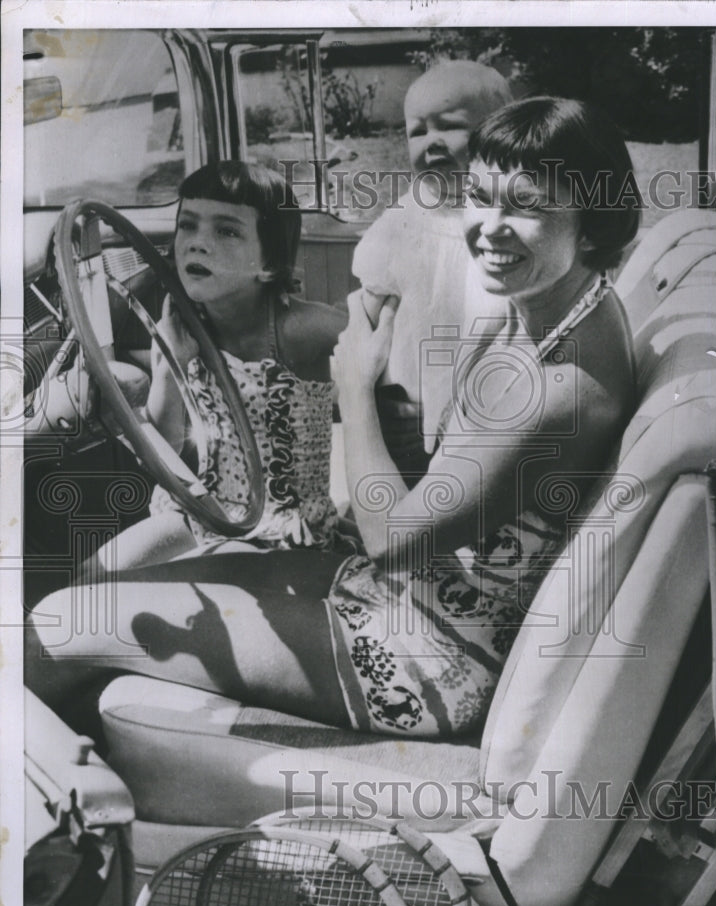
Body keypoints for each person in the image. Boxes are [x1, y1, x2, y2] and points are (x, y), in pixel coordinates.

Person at [27, 97, 639, 739]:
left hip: (427, 657)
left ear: (594, 223)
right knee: (104, 592)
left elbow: (395, 543)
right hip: (406, 592)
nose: (490, 227)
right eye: (480, 197)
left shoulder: (561, 388)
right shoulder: (556, 314)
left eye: (527, 205)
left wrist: (352, 384)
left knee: (66, 623)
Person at [88, 161, 349, 574]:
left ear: (268, 265)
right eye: (187, 226)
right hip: (202, 509)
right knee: (93, 578)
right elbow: (166, 447)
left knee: (176, 588)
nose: (197, 243)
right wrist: (172, 364)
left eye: (225, 231)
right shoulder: (176, 329)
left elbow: (373, 340)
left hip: (285, 528)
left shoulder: (300, 329)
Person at [352, 60, 512, 476]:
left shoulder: (511, 227)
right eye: (417, 131)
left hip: (493, 419)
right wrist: (378, 400)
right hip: (410, 416)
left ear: (502, 133)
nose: (432, 141)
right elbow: (363, 324)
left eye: (449, 126)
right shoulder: (401, 226)